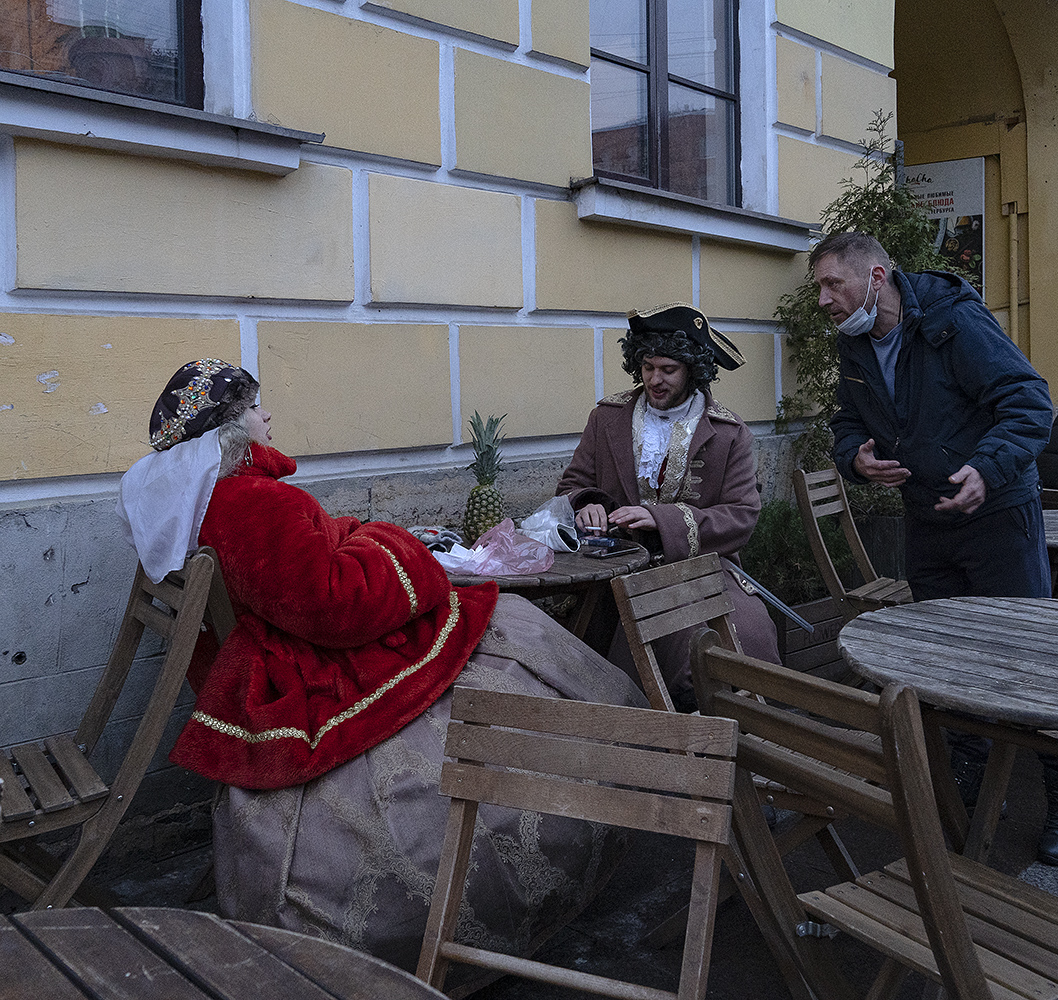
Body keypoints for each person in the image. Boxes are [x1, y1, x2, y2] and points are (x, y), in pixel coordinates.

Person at [117, 359, 647, 986]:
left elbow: (301, 563)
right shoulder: (255, 502)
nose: (269, 417)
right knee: (508, 631)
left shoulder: (210, 499)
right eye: (258, 408)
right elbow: (336, 604)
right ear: (231, 430)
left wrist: (354, 533)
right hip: (309, 661)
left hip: (269, 649)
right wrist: (400, 547)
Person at [813, 231, 1058, 862]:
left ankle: (1057, 802)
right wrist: (856, 458)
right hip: (927, 521)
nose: (822, 300)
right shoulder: (858, 347)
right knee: (945, 660)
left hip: (999, 516)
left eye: (830, 284)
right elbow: (845, 424)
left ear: (874, 276)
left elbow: (1030, 403)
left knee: (1027, 663)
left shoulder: (952, 322)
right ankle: (971, 779)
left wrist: (988, 468)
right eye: (818, 287)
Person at [557, 303, 780, 710]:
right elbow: (573, 484)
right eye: (647, 367)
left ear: (693, 369)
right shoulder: (606, 418)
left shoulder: (730, 433)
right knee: (654, 647)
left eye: (668, 370)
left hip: (704, 569)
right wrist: (586, 503)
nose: (655, 380)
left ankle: (747, 741)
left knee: (749, 635)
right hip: (620, 572)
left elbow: (741, 516)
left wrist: (662, 520)